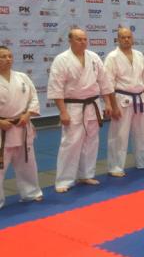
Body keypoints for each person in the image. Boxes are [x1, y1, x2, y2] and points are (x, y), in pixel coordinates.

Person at [47, 28, 114, 192]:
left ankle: (86, 174)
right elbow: (56, 88)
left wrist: (108, 103)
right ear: (70, 40)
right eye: (79, 39)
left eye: (85, 39)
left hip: (93, 105)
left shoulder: (94, 57)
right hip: (73, 106)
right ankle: (64, 180)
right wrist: (63, 111)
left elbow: (104, 82)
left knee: (91, 141)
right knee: (71, 143)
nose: (83, 42)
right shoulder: (61, 59)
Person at [104, 27, 144, 177]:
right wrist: (113, 106)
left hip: (139, 99)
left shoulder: (139, 55)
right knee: (119, 135)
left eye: (129, 37)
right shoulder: (112, 57)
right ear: (118, 39)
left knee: (142, 133)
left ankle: (142, 161)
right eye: (123, 37)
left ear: (132, 38)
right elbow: (108, 84)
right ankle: (115, 167)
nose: (126, 39)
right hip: (121, 99)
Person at [0, 46, 42, 209]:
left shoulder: (22, 77)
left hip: (22, 126)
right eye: (3, 56)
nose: (8, 59)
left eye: (10, 56)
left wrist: (28, 114)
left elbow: (34, 98)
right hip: (2, 129)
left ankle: (31, 192)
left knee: (27, 162)